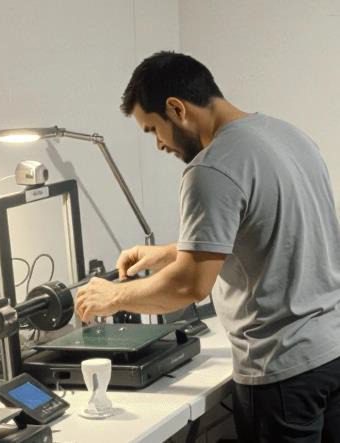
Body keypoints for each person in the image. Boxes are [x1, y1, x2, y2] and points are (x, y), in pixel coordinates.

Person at [75, 51, 340, 442]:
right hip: (331, 351)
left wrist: (113, 297)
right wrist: (172, 252)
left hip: (283, 368)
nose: (158, 145)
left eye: (152, 130)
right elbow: (275, 227)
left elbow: (189, 286)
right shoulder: (287, 135)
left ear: (176, 108)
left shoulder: (211, 168)